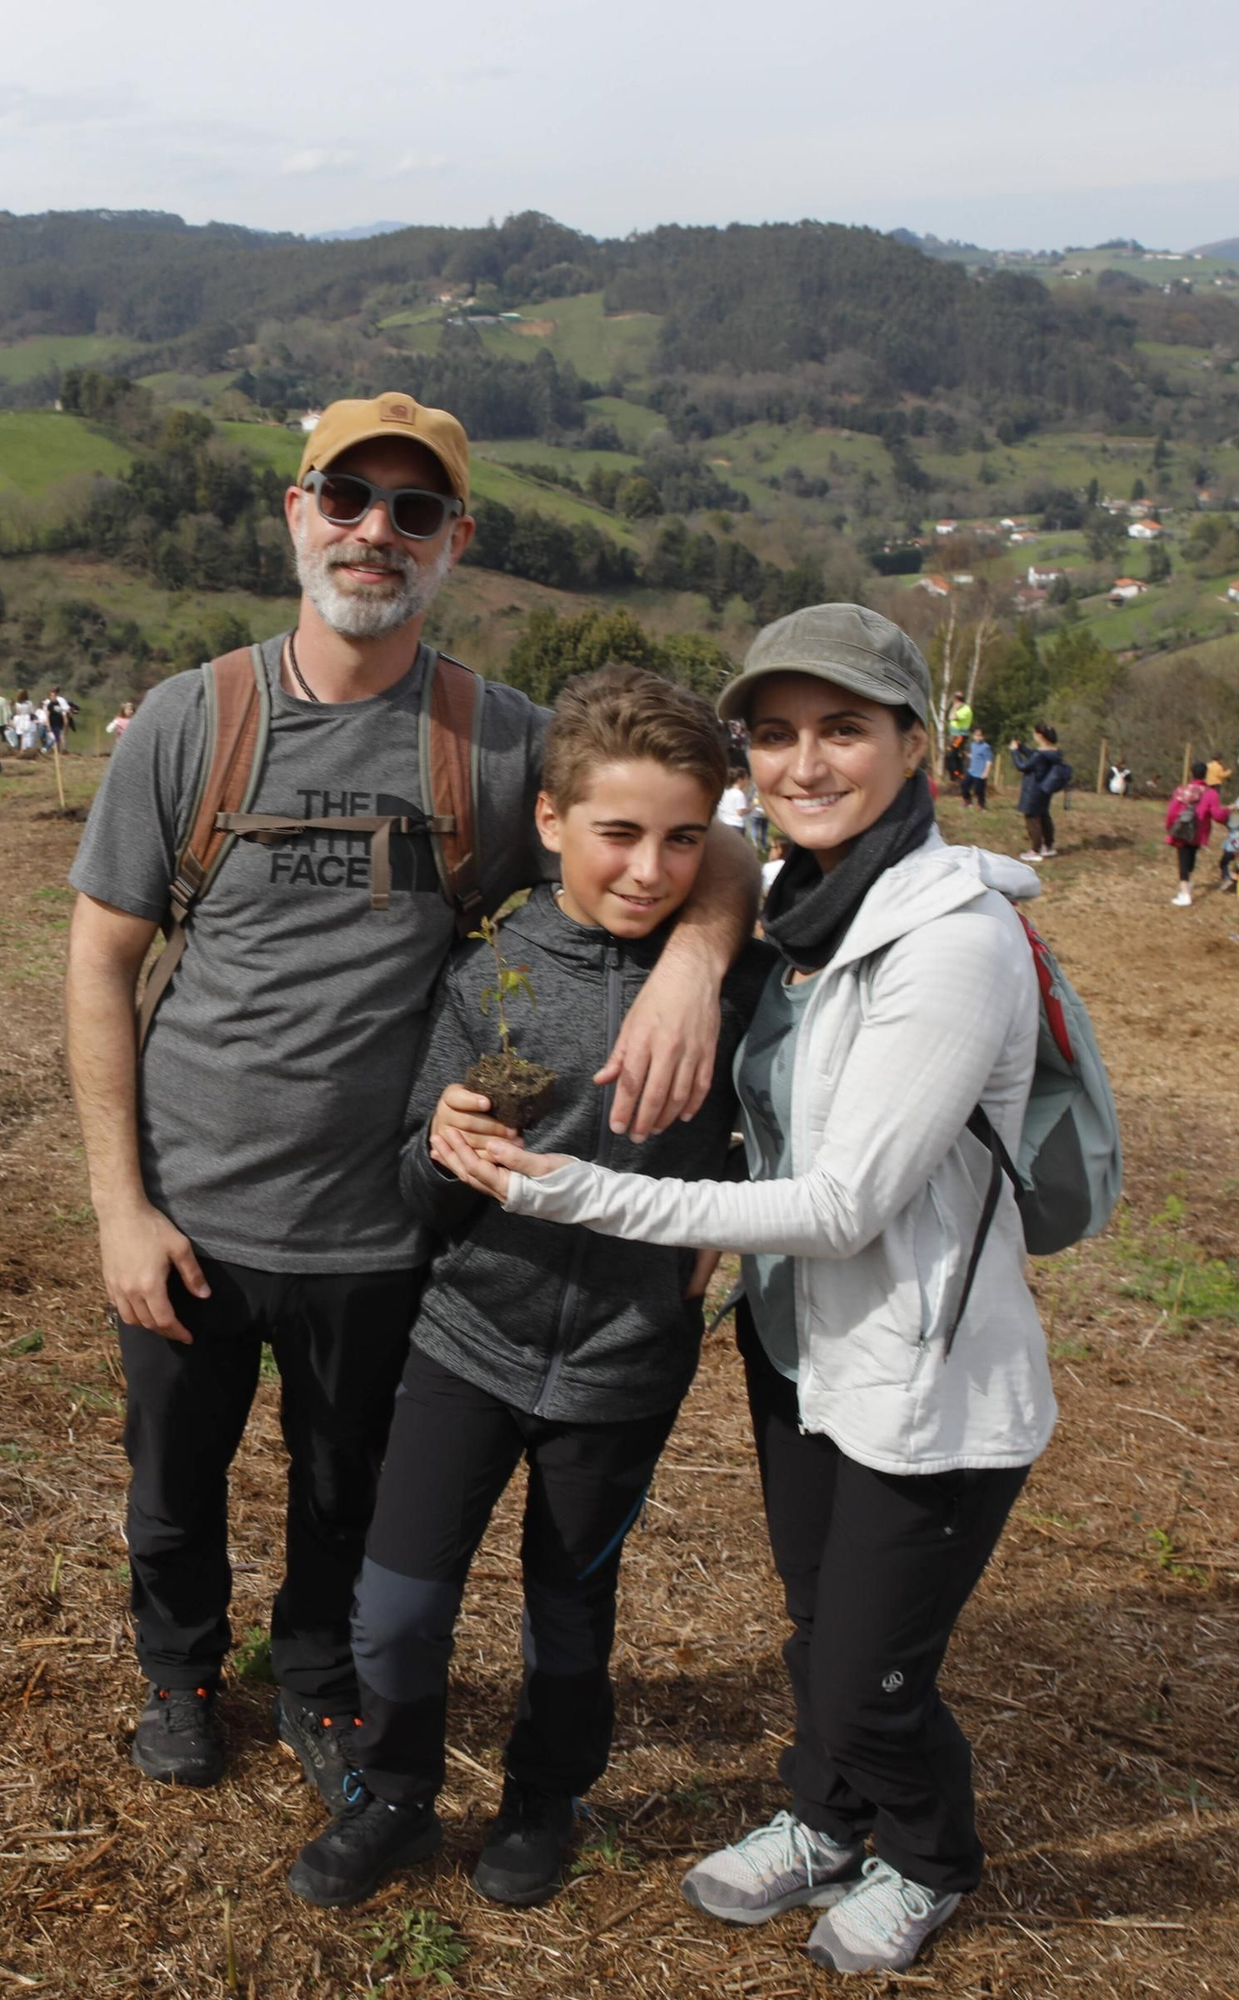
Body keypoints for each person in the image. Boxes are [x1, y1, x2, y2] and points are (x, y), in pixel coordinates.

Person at [64, 392, 757, 1805]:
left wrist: (692, 964)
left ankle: (317, 1679)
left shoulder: (501, 745)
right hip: (191, 1210)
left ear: (455, 542)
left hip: (382, 1230)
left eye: (415, 511)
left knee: (345, 1493)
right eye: (347, 499)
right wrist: (118, 1205)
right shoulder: (195, 723)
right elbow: (100, 961)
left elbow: (705, 830)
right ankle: (181, 1674)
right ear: (296, 513)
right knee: (168, 1489)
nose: (376, 533)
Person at [437, 603, 1058, 1978]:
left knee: (867, 1673)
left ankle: (931, 1852)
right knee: (811, 1620)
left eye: (844, 729)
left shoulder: (950, 939)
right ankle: (825, 1818)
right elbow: (695, 842)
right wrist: (704, 950)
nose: (805, 761)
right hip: (800, 1351)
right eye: (773, 735)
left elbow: (841, 1207)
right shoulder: (805, 902)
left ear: (917, 747)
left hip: (927, 1380)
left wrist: (566, 1187)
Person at [287, 664, 770, 1911]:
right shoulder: (486, 970)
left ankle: (543, 1795)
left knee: (572, 1615)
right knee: (396, 1609)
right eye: (618, 833)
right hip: (465, 1342)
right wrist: (440, 1147)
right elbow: (416, 1183)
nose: (651, 869)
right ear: (550, 821)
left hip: (623, 1362)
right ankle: (391, 1789)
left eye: (680, 838)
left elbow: (775, 1149)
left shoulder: (741, 982)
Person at [1165, 759, 1230, 907]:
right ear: (1205, 774)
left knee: (1183, 859)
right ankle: (1187, 885)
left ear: (1191, 773)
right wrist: (1227, 813)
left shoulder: (1181, 790)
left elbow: (1171, 812)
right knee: (1190, 857)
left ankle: (1185, 894)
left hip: (1182, 829)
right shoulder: (1211, 793)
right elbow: (1217, 815)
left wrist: (1170, 827)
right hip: (1199, 832)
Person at [1009, 725, 1063, 860]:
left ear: (1040, 736)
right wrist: (1021, 747)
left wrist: (1014, 752)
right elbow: (1034, 755)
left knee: (1032, 819)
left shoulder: (1040, 755)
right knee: (1044, 815)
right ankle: (1048, 846)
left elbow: (1022, 766)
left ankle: (1035, 850)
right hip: (1045, 789)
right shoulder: (1053, 752)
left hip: (1033, 790)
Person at [959, 727, 993, 810]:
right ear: (973, 736)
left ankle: (982, 806)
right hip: (971, 771)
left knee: (979, 791)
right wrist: (966, 754)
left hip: (980, 774)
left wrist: (986, 772)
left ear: (983, 736)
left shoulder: (986, 747)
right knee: (964, 785)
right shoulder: (972, 745)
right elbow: (974, 756)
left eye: (980, 736)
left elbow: (989, 761)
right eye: (976, 735)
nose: (978, 737)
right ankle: (967, 801)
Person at [762, 834, 791, 899]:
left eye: (772, 847)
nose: (770, 850)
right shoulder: (792, 866)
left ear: (780, 850)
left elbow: (763, 888)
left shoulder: (768, 867)